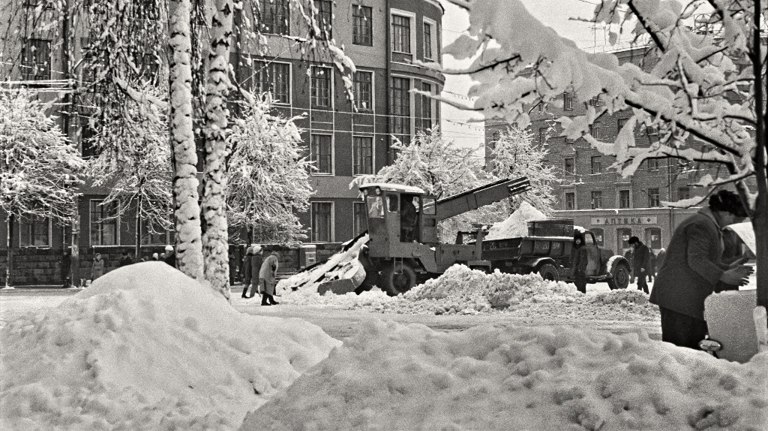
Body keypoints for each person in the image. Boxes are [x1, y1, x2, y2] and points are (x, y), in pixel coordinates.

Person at [650, 190, 753, 350]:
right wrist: (724, 276)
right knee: (682, 351)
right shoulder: (701, 225)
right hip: (679, 298)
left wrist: (738, 262)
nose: (734, 223)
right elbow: (697, 260)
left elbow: (709, 262)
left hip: (685, 298)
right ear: (724, 212)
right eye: (735, 218)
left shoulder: (708, 224)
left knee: (691, 349)